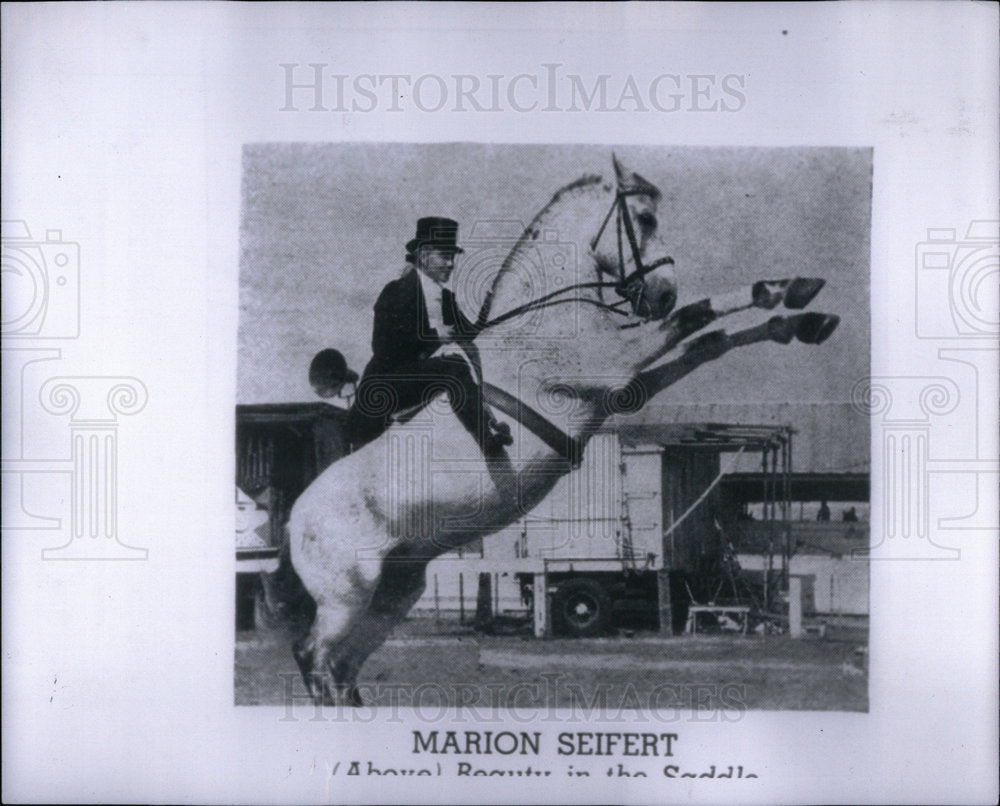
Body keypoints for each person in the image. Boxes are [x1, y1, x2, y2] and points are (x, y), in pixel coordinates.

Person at [347, 217, 513, 456]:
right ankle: (487, 439)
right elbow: (382, 346)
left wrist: (493, 304)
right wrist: (435, 337)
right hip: (384, 387)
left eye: (452, 257)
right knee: (454, 367)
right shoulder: (396, 291)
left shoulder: (446, 299)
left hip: (417, 381)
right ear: (424, 255)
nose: (451, 264)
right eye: (444, 256)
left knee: (454, 368)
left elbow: (473, 335)